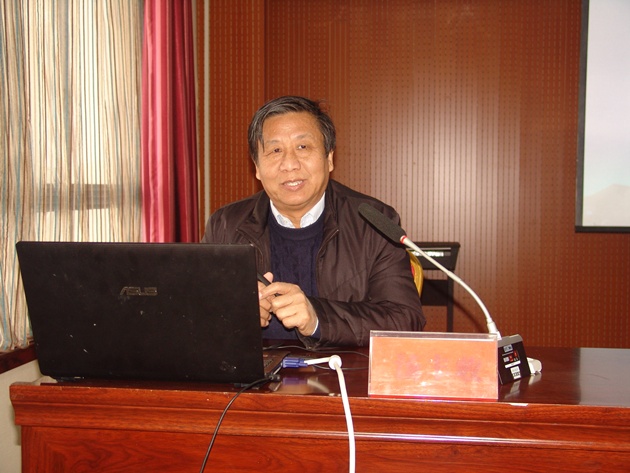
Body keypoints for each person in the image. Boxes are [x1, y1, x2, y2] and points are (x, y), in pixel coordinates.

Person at [201, 95, 425, 348]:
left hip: (344, 371)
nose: (290, 164)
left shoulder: (372, 222)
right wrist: (234, 314)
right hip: (256, 371)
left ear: (329, 158)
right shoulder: (226, 224)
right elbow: (196, 315)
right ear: (257, 168)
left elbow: (404, 320)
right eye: (275, 150)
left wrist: (318, 318)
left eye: (303, 147)